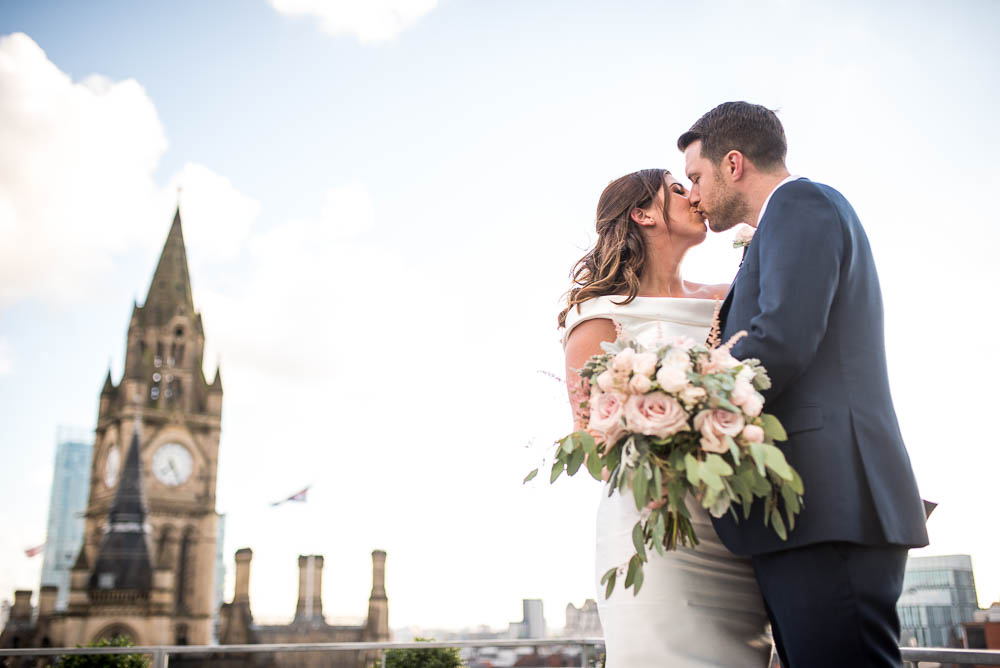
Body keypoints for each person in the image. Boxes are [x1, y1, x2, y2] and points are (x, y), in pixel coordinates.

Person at [679, 101, 929, 667]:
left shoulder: (799, 204)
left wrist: (683, 412)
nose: (692, 193)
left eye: (696, 177)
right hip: (808, 511)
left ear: (734, 163)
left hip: (828, 502)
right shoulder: (787, 219)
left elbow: (782, 339)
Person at [560, 169, 772, 667]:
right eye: (678, 189)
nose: (694, 195)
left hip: (737, 521)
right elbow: (591, 451)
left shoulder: (727, 298)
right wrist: (665, 440)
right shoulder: (599, 316)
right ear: (643, 214)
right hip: (655, 525)